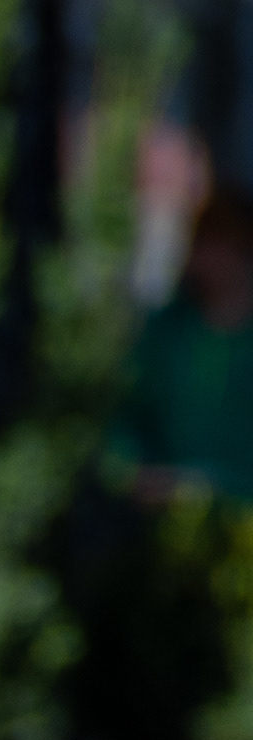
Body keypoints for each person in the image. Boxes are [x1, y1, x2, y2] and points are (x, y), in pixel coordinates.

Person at [110, 186, 253, 506]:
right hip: (173, 513)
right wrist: (137, 470)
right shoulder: (166, 330)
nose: (203, 256)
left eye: (216, 244)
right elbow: (131, 415)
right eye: (199, 242)